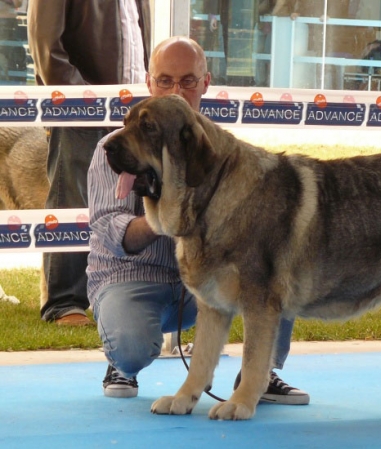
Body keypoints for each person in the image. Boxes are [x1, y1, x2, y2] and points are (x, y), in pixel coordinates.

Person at [87, 36, 310, 405]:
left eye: (188, 81)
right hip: (137, 278)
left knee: (271, 266)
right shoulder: (114, 147)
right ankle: (120, 364)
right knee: (131, 344)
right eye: (165, 80)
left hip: (205, 278)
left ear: (205, 83)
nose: (176, 90)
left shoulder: (218, 147)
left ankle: (261, 373)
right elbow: (111, 233)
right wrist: (165, 217)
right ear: (149, 82)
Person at [27, 0, 151, 326]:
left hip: (131, 106)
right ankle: (64, 302)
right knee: (72, 195)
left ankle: (114, 292)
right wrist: (77, 99)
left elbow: (137, 37)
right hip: (79, 106)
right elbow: (44, 42)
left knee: (124, 202)